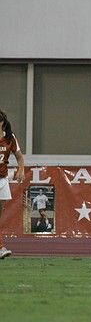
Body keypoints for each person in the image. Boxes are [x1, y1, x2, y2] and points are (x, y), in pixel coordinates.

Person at [0, 110, 25, 259]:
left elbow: (20, 158)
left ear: (2, 123)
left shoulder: (10, 138)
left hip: (2, 180)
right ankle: (1, 247)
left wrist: (21, 170)